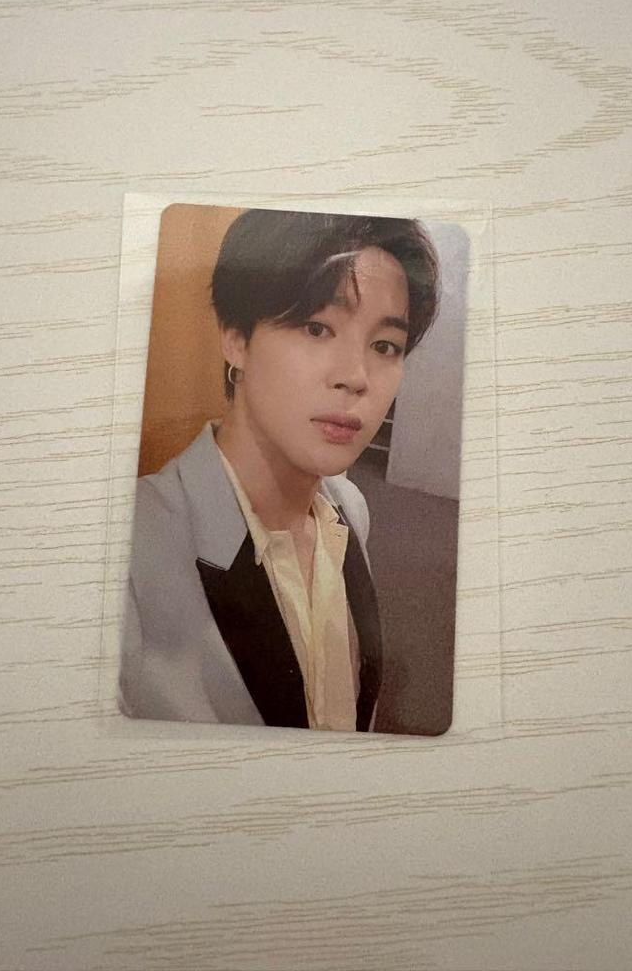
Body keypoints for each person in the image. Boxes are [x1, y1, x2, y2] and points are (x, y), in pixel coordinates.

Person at [119, 208, 440, 732]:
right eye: (317, 328)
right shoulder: (128, 555)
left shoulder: (349, 510)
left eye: (385, 346)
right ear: (236, 338)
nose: (357, 376)